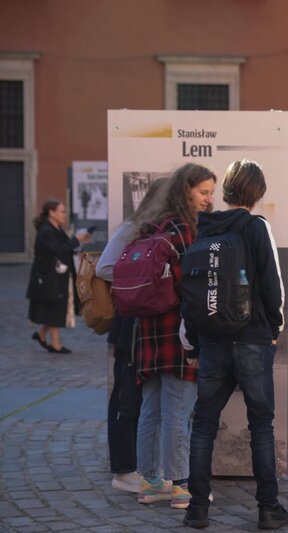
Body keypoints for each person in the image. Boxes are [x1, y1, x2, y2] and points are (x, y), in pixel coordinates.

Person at [182, 159, 288, 530]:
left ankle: (197, 508)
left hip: (212, 339)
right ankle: (268, 508)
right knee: (260, 423)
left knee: (204, 423)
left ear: (226, 190)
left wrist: (193, 341)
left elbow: (194, 287)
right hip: (252, 338)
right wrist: (274, 328)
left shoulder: (205, 227)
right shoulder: (257, 227)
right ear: (257, 193)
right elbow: (273, 286)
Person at [133, 163, 216, 509]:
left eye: (211, 193)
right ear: (186, 190)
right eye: (203, 192)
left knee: (150, 410)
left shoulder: (151, 226)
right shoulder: (188, 231)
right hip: (177, 331)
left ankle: (150, 483)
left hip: (147, 331)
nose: (209, 200)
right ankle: (181, 485)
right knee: (178, 411)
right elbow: (194, 286)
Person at [97, 177, 172, 494]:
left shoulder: (170, 228)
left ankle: (147, 468)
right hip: (130, 322)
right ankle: (124, 470)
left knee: (151, 400)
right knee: (127, 396)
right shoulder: (134, 226)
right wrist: (143, 279)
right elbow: (104, 267)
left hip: (155, 323)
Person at [27, 199, 91, 354]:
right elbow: (58, 250)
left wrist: (78, 242)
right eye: (62, 211)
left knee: (55, 307)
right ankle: (55, 344)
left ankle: (42, 335)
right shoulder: (46, 231)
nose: (64, 215)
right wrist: (76, 240)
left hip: (58, 275)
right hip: (48, 277)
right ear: (51, 212)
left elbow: (65, 246)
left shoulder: (56, 228)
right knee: (55, 307)